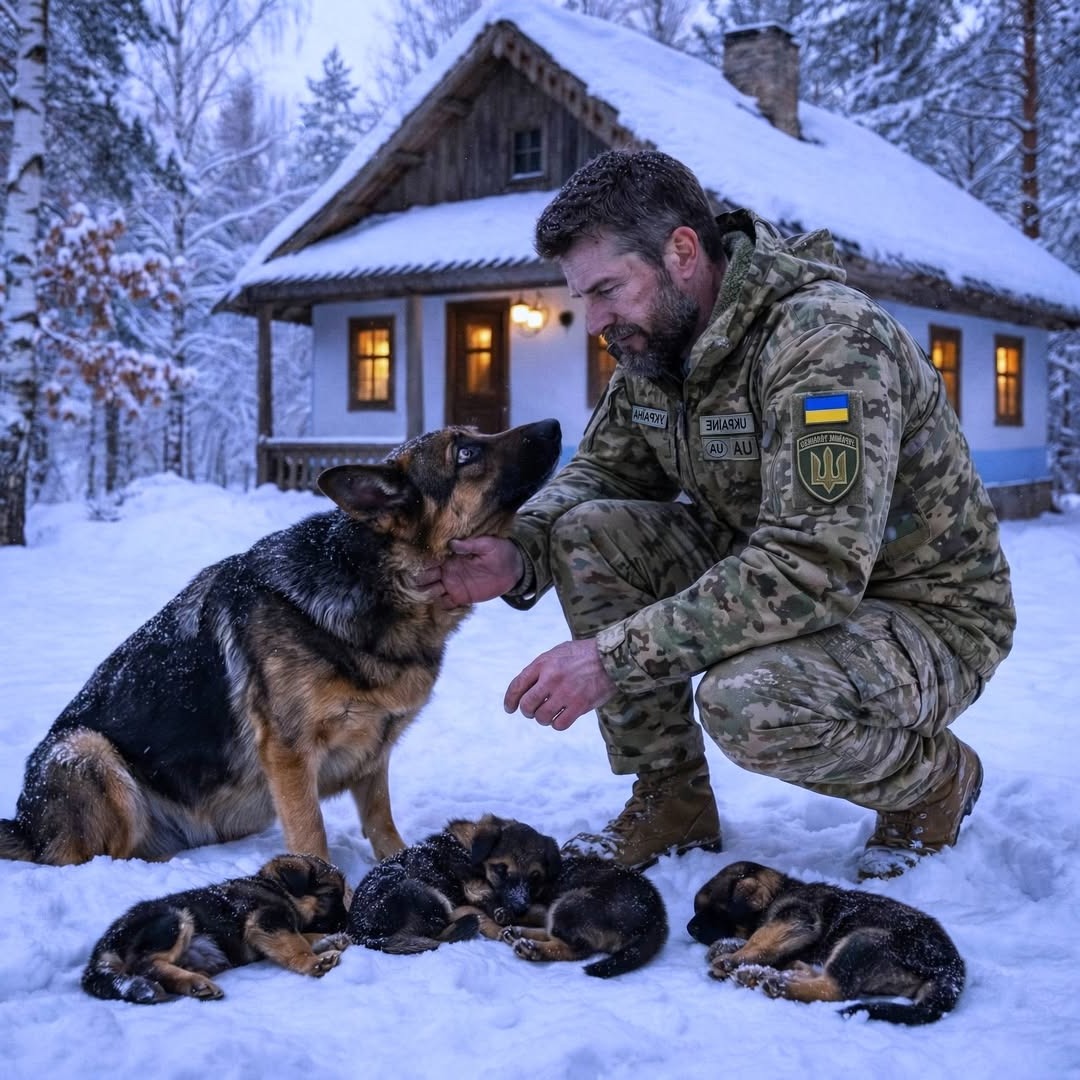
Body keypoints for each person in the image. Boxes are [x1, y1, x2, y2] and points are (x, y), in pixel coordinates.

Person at [420, 149, 1015, 880]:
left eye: (608, 289)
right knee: (586, 534)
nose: (595, 321)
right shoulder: (658, 346)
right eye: (586, 297)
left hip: (925, 611)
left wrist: (612, 658)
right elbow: (605, 472)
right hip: (770, 567)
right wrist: (523, 549)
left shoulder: (824, 343)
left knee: (749, 703)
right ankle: (673, 798)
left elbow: (812, 568)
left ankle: (934, 781)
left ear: (682, 251)